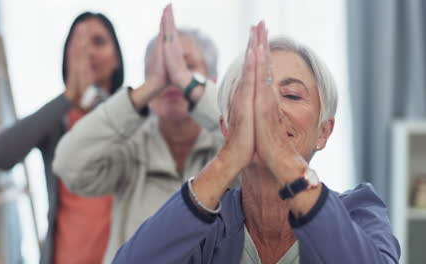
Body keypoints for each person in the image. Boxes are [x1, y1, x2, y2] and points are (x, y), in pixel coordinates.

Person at [112, 21, 401, 264]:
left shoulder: (359, 210)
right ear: (227, 128)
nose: (268, 110)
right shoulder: (205, 222)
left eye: (291, 95)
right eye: (252, 97)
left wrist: (283, 158)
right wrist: (227, 160)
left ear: (324, 132)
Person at [52, 4, 222, 263]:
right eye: (163, 68)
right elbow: (68, 164)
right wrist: (152, 85)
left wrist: (188, 83)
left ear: (212, 78)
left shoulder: (231, 150)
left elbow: (264, 154)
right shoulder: (132, 147)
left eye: (188, 67)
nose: (174, 78)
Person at [0, 12, 124, 264]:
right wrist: (68, 98)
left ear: (116, 58)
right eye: (79, 43)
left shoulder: (132, 118)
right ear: (66, 56)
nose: (88, 52)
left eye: (98, 42)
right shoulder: (56, 121)